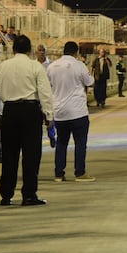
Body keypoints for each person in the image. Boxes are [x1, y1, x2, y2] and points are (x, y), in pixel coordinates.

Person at [0, 34, 54, 206]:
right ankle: (28, 194)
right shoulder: (36, 66)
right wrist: (49, 116)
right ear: (30, 49)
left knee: (10, 155)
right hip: (30, 111)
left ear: (13, 49)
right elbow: (45, 92)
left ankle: (6, 195)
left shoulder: (2, 67)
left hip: (10, 111)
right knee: (31, 155)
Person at [47, 41, 96, 182]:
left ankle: (59, 173)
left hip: (59, 112)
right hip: (77, 111)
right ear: (76, 52)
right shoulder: (79, 65)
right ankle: (80, 173)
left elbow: (48, 85)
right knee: (80, 142)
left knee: (61, 143)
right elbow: (89, 82)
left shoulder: (52, 66)